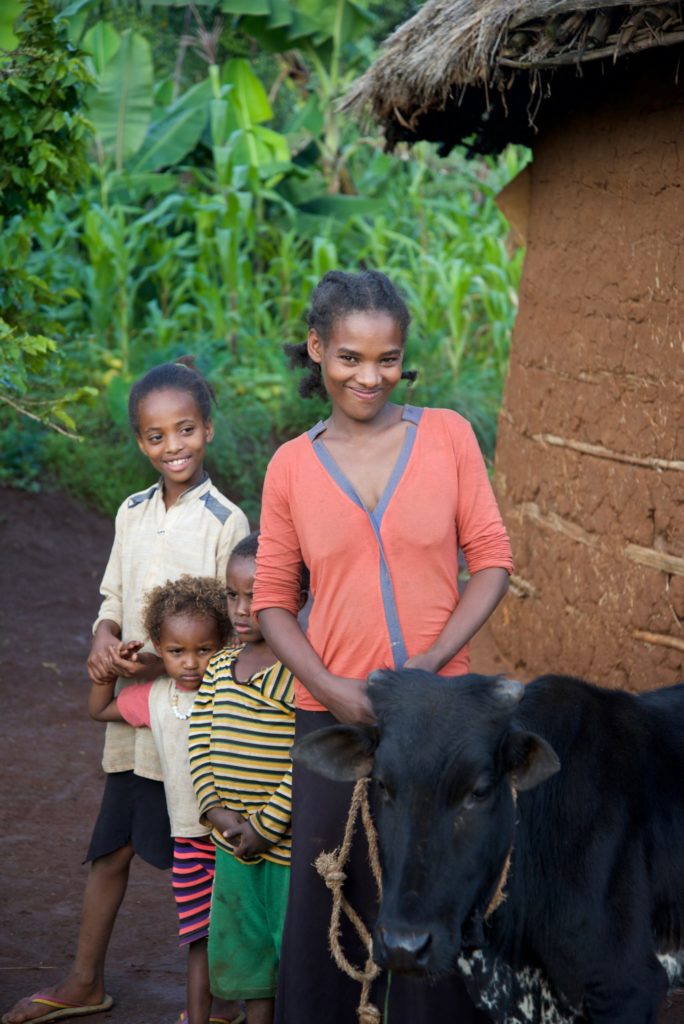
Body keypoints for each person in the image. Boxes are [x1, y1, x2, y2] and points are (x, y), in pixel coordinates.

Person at [252, 269, 514, 1024]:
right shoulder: (291, 467)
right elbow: (272, 600)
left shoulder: (449, 437)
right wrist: (333, 688)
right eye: (350, 358)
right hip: (332, 716)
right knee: (331, 897)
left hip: (443, 723)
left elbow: (492, 560)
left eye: (388, 358)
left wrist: (425, 674)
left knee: (437, 895)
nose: (370, 377)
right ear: (317, 350)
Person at [2, 360, 249, 1024]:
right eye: (157, 435)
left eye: (187, 430)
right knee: (108, 851)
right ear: (140, 441)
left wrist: (166, 668)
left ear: (209, 429)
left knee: (206, 861)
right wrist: (101, 640)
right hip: (133, 725)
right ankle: (85, 981)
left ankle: (220, 997)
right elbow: (112, 598)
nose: (174, 447)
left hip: (192, 726)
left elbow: (231, 633)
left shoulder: (226, 522)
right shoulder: (131, 512)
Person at [88, 574, 246, 1024]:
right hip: (191, 842)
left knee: (245, 933)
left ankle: (236, 1009)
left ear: (225, 644)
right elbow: (99, 709)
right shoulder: (155, 698)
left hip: (241, 839)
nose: (192, 663)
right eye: (177, 652)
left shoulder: (232, 693)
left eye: (205, 649)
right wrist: (110, 666)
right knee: (198, 937)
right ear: (159, 647)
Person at [188, 532, 306, 1024]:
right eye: (232, 595)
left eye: (255, 596)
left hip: (282, 851)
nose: (240, 609)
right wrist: (215, 810)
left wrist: (266, 825)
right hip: (232, 846)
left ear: (296, 599)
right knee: (249, 959)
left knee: (292, 955)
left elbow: (305, 760)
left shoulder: (300, 674)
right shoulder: (217, 669)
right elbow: (198, 741)